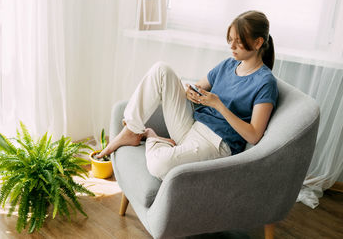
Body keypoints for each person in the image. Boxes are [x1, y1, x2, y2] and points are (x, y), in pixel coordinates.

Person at [97, 10, 278, 180]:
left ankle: (152, 137)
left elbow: (254, 135)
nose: (231, 46)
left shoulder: (265, 82)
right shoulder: (228, 65)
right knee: (162, 69)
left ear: (258, 42)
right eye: (230, 39)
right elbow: (198, 86)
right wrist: (190, 91)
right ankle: (131, 130)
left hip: (216, 142)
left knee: (159, 165)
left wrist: (219, 105)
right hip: (192, 125)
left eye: (238, 41)